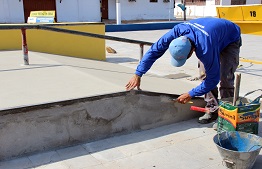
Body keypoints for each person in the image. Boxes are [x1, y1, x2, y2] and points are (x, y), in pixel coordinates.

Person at [125, 17, 242, 124]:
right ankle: (212, 108)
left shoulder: (205, 49)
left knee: (225, 76)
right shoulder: (177, 31)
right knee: (204, 75)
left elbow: (213, 80)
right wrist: (138, 73)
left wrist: (191, 94)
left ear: (192, 51)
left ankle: (227, 114)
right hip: (212, 34)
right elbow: (154, 50)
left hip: (230, 38)